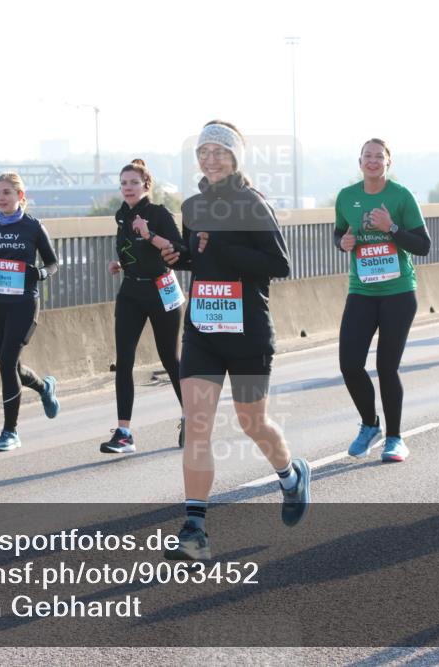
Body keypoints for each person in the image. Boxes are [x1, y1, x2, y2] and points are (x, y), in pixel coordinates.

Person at [158, 120, 310, 560]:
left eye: (219, 151)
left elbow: (278, 264)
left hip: (247, 331)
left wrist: (220, 249)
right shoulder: (191, 205)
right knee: (197, 428)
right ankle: (195, 531)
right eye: (203, 151)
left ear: (235, 157)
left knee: (252, 422)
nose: (210, 158)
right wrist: (179, 255)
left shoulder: (252, 203)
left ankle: (290, 475)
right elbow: (200, 258)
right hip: (204, 330)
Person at [334, 139, 431, 462]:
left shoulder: (401, 196)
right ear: (359, 162)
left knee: (386, 367)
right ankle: (369, 424)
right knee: (349, 364)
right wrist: (343, 242)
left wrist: (391, 227)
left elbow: (423, 245)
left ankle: (395, 438)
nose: (373, 161)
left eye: (379, 157)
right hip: (361, 291)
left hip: (398, 293)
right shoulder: (347, 197)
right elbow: (340, 234)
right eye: (368, 156)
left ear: (388, 163)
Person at [0, 172, 61, 452]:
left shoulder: (32, 227)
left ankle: (10, 432)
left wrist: (41, 274)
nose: (1, 198)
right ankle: (45, 387)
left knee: (7, 364)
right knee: (13, 366)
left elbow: (53, 263)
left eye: (7, 192)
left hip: (24, 304)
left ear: (20, 196)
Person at [102, 159, 185, 453]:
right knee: (123, 361)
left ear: (146, 185)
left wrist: (149, 233)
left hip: (161, 291)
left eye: (133, 183)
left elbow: (178, 249)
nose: (127, 188)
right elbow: (130, 252)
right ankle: (124, 433)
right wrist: (118, 265)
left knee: (169, 359)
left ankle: (192, 418)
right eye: (123, 183)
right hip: (131, 291)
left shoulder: (158, 213)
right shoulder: (121, 215)